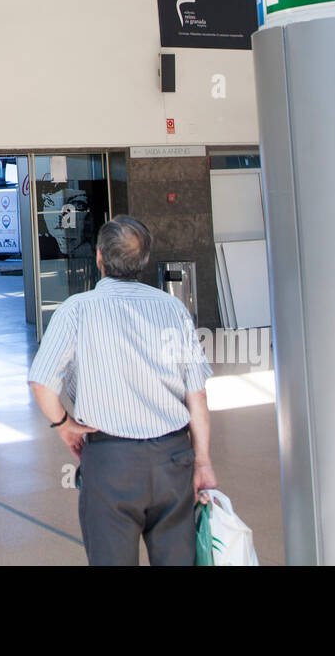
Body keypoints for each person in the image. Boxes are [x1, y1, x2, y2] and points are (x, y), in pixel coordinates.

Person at [27, 215, 216, 566]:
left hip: (110, 461)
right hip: (173, 459)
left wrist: (64, 425)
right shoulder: (173, 309)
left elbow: (41, 382)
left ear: (99, 257)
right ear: (144, 261)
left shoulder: (75, 311)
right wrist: (202, 461)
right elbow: (198, 394)